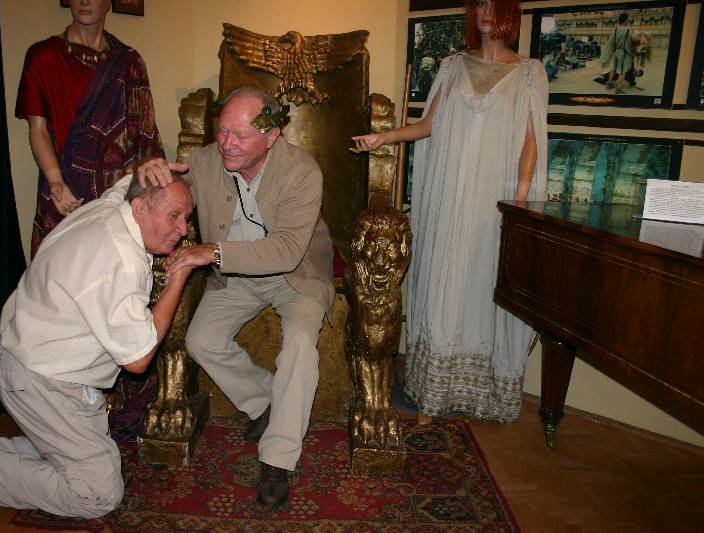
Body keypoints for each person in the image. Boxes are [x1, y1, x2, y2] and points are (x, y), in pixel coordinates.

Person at [0, 173, 194, 530]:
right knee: (98, 493)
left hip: (27, 357)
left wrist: (150, 167)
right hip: (41, 379)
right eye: (174, 216)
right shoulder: (122, 262)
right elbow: (138, 359)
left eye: (186, 217)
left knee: (89, 457)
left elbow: (124, 184)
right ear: (140, 208)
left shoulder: (112, 206)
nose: (183, 230)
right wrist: (178, 278)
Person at [351, 0, 548, 425]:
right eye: (480, 3)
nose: (486, 11)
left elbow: (531, 140)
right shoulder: (453, 65)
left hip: (494, 201)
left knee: (482, 281)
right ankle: (432, 389)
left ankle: (484, 393)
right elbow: (429, 125)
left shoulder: (530, 73)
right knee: (444, 279)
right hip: (449, 200)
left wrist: (519, 199)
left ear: (510, 11)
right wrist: (384, 137)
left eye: (495, 3)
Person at [137, 86, 335, 508]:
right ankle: (267, 403)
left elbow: (288, 251)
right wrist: (146, 175)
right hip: (236, 278)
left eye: (241, 136)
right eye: (223, 131)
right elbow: (160, 197)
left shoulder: (303, 171)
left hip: (296, 276)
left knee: (301, 344)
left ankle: (278, 458)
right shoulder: (205, 162)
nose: (227, 144)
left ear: (272, 135)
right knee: (200, 340)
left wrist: (211, 252)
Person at [16, 0, 165, 258]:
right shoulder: (43, 56)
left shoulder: (129, 62)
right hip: (65, 190)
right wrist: (55, 180)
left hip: (117, 195)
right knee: (61, 270)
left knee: (113, 271)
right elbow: (37, 129)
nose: (85, 1)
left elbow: (144, 134)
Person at [601, 12, 634, 95]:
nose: (628, 21)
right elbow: (628, 44)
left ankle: (609, 84)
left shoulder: (615, 29)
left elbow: (611, 42)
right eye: (627, 19)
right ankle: (618, 89)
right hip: (624, 52)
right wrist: (631, 53)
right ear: (625, 20)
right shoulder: (628, 30)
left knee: (613, 69)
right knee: (623, 71)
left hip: (616, 52)